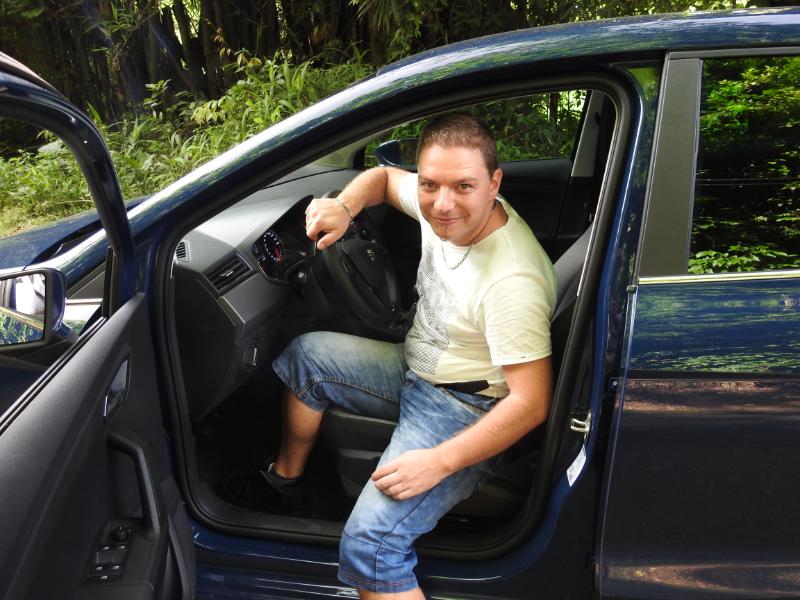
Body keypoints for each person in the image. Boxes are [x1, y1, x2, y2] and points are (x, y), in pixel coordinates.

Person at [226, 112, 556, 600]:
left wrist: (439, 462)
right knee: (306, 359)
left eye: (463, 186)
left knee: (370, 549)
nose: (442, 204)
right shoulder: (441, 206)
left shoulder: (511, 281)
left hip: (464, 409)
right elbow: (380, 178)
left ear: (494, 184)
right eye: (430, 184)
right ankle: (285, 484)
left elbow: (531, 403)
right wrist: (344, 207)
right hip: (415, 366)